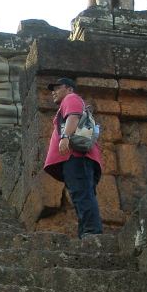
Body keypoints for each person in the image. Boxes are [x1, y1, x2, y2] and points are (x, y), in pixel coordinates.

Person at [42, 77, 104, 238]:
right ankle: (86, 232)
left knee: (82, 194)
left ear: (69, 89)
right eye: (52, 89)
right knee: (81, 195)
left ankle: (91, 231)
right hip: (78, 158)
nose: (53, 92)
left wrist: (65, 137)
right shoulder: (69, 101)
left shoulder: (71, 98)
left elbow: (74, 116)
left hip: (76, 156)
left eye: (57, 87)